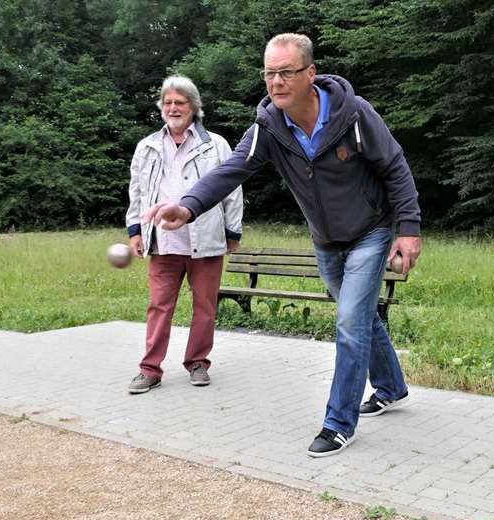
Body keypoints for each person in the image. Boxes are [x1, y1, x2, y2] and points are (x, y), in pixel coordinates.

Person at [142, 34, 421, 457]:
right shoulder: (270, 126)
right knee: (359, 315)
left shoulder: (354, 115)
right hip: (326, 239)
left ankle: (338, 423)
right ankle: (391, 387)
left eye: (286, 72)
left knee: (349, 322)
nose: (276, 82)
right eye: (269, 73)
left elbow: (395, 166)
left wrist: (408, 228)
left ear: (310, 73)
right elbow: (233, 168)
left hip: (371, 230)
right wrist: (187, 206)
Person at [125, 75, 243, 394]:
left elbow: (232, 191)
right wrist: (135, 230)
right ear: (161, 107)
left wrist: (233, 231)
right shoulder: (147, 146)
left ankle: (198, 362)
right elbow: (137, 192)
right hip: (162, 241)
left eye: (180, 102)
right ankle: (150, 369)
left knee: (205, 305)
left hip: (205, 238)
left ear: (194, 107)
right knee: (159, 305)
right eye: (168, 102)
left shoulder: (214, 144)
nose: (173, 108)